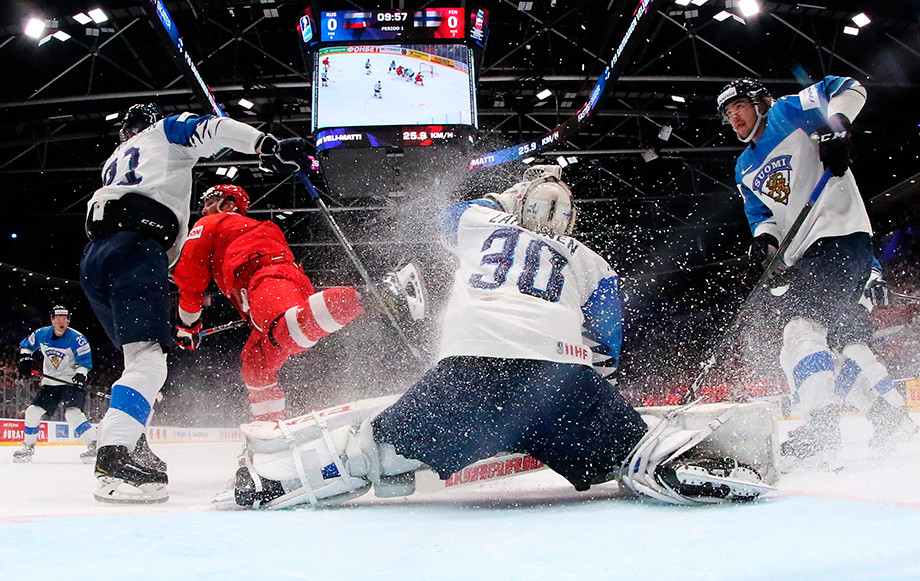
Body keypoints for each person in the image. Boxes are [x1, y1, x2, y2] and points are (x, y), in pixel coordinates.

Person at [223, 166, 772, 509]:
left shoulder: (482, 227)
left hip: (469, 372)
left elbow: (449, 214)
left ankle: (274, 477)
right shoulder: (591, 260)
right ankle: (687, 459)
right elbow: (607, 347)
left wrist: (506, 200)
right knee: (629, 453)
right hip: (559, 379)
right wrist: (587, 400)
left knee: (377, 453)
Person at [80, 103, 310, 503]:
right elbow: (212, 128)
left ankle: (128, 441)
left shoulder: (113, 160)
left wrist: (188, 322)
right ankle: (114, 456)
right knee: (149, 361)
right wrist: (266, 145)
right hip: (138, 249)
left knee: (139, 361)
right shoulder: (162, 132)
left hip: (94, 256)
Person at [717, 77, 917, 460]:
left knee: (799, 332)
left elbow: (850, 87)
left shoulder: (787, 112)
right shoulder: (744, 167)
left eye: (739, 107)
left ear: (759, 103)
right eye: (728, 113)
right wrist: (763, 243)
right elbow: (763, 218)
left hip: (837, 237)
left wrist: (837, 130)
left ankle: (821, 429)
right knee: (839, 349)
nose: (734, 118)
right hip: (809, 254)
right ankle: (888, 417)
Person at [171, 184, 364, 422]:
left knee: (286, 332)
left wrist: (187, 326)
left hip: (265, 279)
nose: (203, 210)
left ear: (229, 205)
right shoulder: (244, 230)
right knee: (255, 367)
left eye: (210, 200)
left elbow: (190, 279)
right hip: (275, 283)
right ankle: (269, 428)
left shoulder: (215, 222)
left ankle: (378, 297)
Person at [13, 305, 95, 463]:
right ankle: (28, 447)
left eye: (64, 318)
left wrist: (80, 375)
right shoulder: (42, 334)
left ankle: (93, 445)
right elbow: (26, 346)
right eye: (58, 318)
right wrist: (25, 359)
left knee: (72, 414)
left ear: (68, 320)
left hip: (71, 383)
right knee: (32, 412)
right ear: (52, 319)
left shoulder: (77, 338)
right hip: (50, 383)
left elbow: (84, 362)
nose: (61, 321)